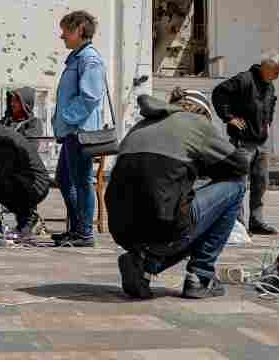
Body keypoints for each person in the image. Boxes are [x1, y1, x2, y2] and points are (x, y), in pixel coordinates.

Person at [107, 89, 250, 299]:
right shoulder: (197, 123)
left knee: (177, 208)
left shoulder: (141, 124)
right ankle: (200, 276)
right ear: (203, 113)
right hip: (166, 226)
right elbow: (240, 165)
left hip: (122, 229)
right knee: (235, 187)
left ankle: (145, 264)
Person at [51, 10, 107, 248]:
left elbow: (90, 96)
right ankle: (77, 230)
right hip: (72, 131)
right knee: (64, 179)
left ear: (80, 31)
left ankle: (83, 233)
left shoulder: (89, 59)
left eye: (66, 30)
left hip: (80, 131)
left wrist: (67, 117)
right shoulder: (77, 58)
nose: (62, 35)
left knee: (81, 181)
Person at [211, 53, 279, 235]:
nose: (278, 76)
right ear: (266, 67)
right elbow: (219, 92)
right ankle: (237, 223)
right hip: (242, 142)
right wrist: (229, 118)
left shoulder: (270, 86)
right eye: (276, 72)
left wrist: (269, 120)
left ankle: (256, 221)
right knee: (239, 183)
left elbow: (271, 104)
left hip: (261, 143)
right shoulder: (244, 79)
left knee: (261, 183)